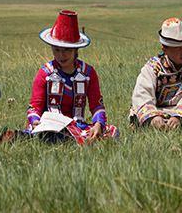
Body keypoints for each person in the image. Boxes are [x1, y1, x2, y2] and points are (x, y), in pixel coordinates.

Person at [26, 10, 119, 144]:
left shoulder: (88, 73)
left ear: (76, 50)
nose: (61, 56)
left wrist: (99, 124)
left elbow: (97, 105)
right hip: (49, 126)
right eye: (57, 50)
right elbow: (35, 106)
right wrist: (35, 121)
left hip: (78, 126)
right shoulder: (45, 74)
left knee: (113, 132)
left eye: (66, 50)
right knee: (50, 136)